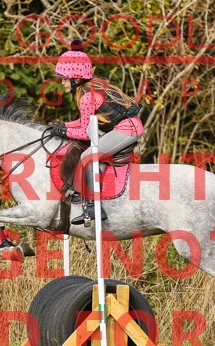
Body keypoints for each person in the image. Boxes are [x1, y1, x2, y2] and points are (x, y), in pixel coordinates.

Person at [49, 39, 144, 225]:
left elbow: (86, 134)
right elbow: (85, 122)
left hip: (128, 129)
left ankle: (93, 207)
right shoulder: (91, 86)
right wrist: (64, 126)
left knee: (87, 157)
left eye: (64, 79)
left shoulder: (86, 96)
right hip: (128, 125)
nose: (62, 82)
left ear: (76, 78)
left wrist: (64, 132)